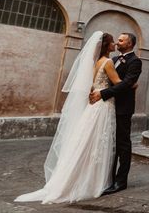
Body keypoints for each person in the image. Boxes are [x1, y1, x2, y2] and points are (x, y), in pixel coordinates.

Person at [15, 32, 122, 204]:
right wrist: (132, 83)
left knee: (86, 141)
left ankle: (74, 176)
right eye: (112, 42)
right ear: (105, 45)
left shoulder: (94, 62)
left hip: (92, 105)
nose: (115, 44)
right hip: (103, 105)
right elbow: (118, 83)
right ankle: (92, 181)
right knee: (96, 142)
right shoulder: (108, 62)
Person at [89, 32, 142, 195]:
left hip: (122, 108)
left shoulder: (135, 61)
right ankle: (107, 179)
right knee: (109, 145)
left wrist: (103, 93)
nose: (118, 43)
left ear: (130, 44)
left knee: (122, 144)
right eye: (116, 40)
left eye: (121, 40)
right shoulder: (112, 60)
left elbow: (126, 83)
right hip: (107, 107)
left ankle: (121, 181)